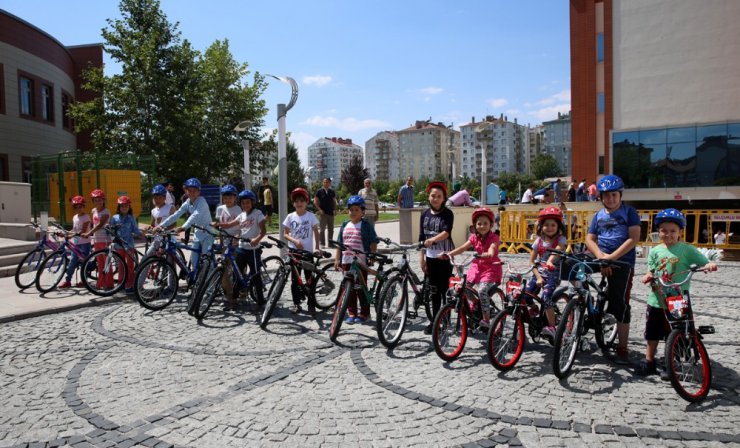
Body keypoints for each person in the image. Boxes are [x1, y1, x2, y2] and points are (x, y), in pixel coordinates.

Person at [637, 208, 717, 376]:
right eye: (663, 231)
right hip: (656, 299)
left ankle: (671, 363)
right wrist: (648, 275)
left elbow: (704, 262)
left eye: (673, 231)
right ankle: (649, 361)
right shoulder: (655, 250)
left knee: (674, 332)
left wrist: (708, 265)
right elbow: (652, 270)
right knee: (652, 332)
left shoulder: (687, 250)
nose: (668, 234)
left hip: (677, 299)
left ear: (680, 231)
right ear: (658, 232)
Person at [584, 174, 641, 365]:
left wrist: (611, 259)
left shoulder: (629, 212)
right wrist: (601, 257)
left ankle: (622, 346)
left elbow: (633, 238)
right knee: (574, 267)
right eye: (606, 196)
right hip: (602, 256)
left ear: (620, 195)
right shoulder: (598, 216)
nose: (611, 199)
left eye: (614, 195)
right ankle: (579, 306)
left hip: (621, 261)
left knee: (620, 305)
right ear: (600, 197)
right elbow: (589, 239)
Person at [443, 208, 502, 327]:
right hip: (476, 267)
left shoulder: (494, 237)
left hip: (491, 268)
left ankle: (486, 320)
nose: (482, 226)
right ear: (475, 225)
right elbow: (462, 248)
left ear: (491, 224)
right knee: (462, 287)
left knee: (482, 290)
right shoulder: (474, 237)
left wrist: (489, 253)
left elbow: (492, 248)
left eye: (485, 223)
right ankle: (475, 302)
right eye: (479, 223)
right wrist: (449, 254)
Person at [215, 189, 266, 310]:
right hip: (242, 248)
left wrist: (257, 239)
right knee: (237, 274)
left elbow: (264, 231)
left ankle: (261, 301)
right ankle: (234, 300)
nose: (245, 205)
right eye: (243, 203)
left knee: (255, 274)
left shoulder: (258, 213)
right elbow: (229, 224)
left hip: (253, 249)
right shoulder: (241, 215)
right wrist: (217, 224)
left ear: (252, 202)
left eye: (248, 202)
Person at [334, 195, 379, 324]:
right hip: (346, 261)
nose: (353, 212)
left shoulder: (365, 225)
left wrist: (371, 255)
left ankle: (365, 313)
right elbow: (339, 243)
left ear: (362, 212)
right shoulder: (344, 225)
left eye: (356, 210)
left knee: (360, 288)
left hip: (360, 263)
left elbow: (373, 242)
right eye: (351, 210)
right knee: (349, 288)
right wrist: (337, 258)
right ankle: (352, 312)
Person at [524, 206, 567, 339]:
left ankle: (552, 327)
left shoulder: (560, 240)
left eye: (553, 225)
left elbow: (558, 250)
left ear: (558, 226)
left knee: (546, 297)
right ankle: (534, 308)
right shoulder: (538, 241)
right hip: (539, 273)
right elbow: (531, 262)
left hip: (553, 274)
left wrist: (550, 261)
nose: (549, 227)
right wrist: (537, 276)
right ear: (541, 226)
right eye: (546, 225)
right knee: (525, 296)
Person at [419, 181, 455, 334]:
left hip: (444, 257)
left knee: (444, 290)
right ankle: (434, 322)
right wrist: (422, 258)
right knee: (433, 291)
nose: (435, 198)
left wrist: (433, 240)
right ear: (429, 197)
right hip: (430, 257)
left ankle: (445, 320)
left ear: (443, 198)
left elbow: (446, 232)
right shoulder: (424, 214)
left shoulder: (447, 213)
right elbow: (421, 237)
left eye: (439, 196)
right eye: (433, 195)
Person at [158, 178, 213, 277]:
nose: (192, 193)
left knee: (206, 262)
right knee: (194, 260)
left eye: (194, 191)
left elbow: (195, 215)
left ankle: (210, 288)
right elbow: (176, 215)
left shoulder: (202, 201)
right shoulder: (188, 202)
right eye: (189, 190)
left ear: (199, 192)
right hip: (197, 233)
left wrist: (183, 227)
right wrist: (161, 225)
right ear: (186, 191)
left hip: (207, 234)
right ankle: (197, 283)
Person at [283, 187, 321, 314]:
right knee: (295, 280)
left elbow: (316, 231)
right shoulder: (290, 216)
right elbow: (285, 234)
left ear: (306, 202)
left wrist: (317, 247)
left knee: (309, 278)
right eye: (296, 201)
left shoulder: (311, 216)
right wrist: (295, 241)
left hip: (308, 253)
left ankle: (311, 304)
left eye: (302, 201)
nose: (299, 203)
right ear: (293, 203)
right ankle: (296, 303)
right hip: (294, 252)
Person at [214, 185, 241, 307]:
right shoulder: (220, 209)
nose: (228, 199)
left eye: (230, 197)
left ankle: (241, 290)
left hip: (236, 242)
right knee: (224, 268)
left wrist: (238, 237)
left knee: (238, 268)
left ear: (235, 198)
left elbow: (242, 226)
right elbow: (219, 226)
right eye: (225, 197)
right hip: (225, 242)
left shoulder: (238, 210)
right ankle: (229, 295)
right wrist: (219, 242)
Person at [109, 196, 142, 293]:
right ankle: (121, 283)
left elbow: (135, 230)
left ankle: (130, 284)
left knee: (130, 266)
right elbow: (111, 229)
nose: (124, 208)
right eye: (122, 206)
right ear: (119, 207)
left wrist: (141, 235)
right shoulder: (114, 218)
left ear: (129, 207)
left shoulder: (131, 218)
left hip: (129, 245)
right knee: (120, 265)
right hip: (118, 245)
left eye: (126, 206)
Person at [81, 189, 112, 290]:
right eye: (95, 200)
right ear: (93, 201)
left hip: (105, 240)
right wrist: (86, 232)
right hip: (97, 240)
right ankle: (100, 283)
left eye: (100, 200)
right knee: (100, 263)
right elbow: (92, 224)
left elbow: (100, 225)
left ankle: (109, 284)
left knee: (106, 263)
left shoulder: (106, 212)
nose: (98, 202)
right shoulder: (93, 211)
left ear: (103, 200)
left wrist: (88, 233)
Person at [59, 196, 91, 289]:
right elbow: (74, 229)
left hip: (85, 243)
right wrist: (65, 233)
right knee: (72, 261)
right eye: (76, 207)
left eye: (80, 207)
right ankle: (67, 280)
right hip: (76, 243)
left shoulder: (86, 217)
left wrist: (70, 236)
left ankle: (83, 280)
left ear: (83, 206)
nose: (78, 209)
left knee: (83, 262)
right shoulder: (75, 217)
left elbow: (82, 230)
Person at [313, 178, 337, 247]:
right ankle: (322, 243)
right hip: (323, 213)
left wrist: (335, 209)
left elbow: (334, 201)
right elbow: (315, 201)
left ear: (330, 183)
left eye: (327, 182)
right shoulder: (319, 191)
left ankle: (331, 244)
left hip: (330, 213)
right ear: (323, 183)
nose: (326, 183)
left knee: (331, 230)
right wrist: (319, 209)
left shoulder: (332, 191)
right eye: (324, 182)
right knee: (322, 229)